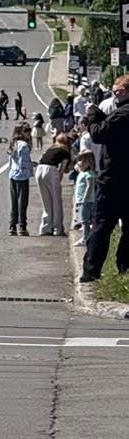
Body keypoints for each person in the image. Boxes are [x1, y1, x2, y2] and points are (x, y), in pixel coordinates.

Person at [78, 77, 129, 285]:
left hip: (113, 179)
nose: (115, 95)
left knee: (102, 226)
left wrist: (92, 115)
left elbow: (99, 133)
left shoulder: (123, 114)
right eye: (114, 91)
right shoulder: (120, 113)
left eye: (119, 91)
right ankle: (124, 267)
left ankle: (91, 271)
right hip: (120, 178)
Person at [37, 132, 72, 239]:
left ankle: (45, 228)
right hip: (51, 170)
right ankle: (57, 228)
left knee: (46, 201)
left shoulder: (51, 149)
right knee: (56, 201)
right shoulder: (65, 152)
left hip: (40, 169)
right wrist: (58, 182)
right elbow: (62, 169)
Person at [6, 123, 34, 236]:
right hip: (22, 175)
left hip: (13, 174)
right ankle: (22, 226)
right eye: (26, 131)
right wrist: (32, 164)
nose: (29, 133)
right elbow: (23, 162)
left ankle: (12, 225)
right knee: (22, 201)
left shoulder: (14, 143)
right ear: (21, 132)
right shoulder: (23, 145)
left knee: (14, 201)